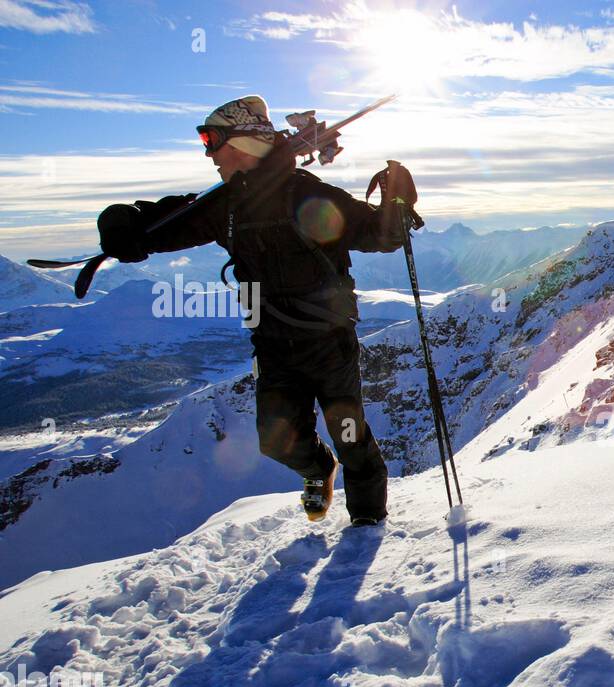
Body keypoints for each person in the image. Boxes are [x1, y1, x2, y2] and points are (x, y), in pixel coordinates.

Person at [95, 95, 420, 527]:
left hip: (329, 343)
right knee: (278, 442)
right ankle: (318, 470)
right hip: (272, 344)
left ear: (246, 143)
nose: (209, 154)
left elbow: (381, 235)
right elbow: (170, 223)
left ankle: (366, 525)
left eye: (214, 141)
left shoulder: (309, 197)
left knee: (349, 436)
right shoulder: (226, 206)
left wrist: (397, 205)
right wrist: (128, 225)